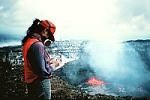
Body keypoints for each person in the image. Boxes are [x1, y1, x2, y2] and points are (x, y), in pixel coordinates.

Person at [22, 18, 60, 100]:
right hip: (39, 83)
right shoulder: (38, 45)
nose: (48, 38)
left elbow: (34, 64)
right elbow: (43, 72)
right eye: (49, 35)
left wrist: (46, 64)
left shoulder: (29, 41)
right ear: (45, 31)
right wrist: (54, 65)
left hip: (32, 81)